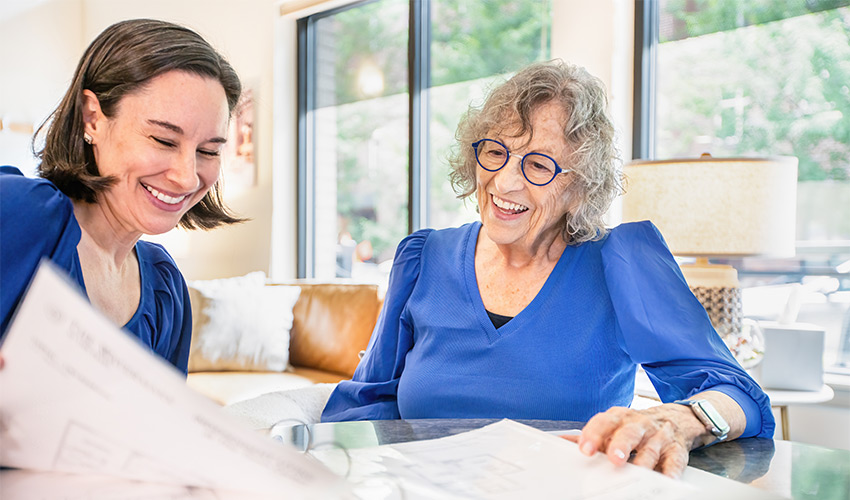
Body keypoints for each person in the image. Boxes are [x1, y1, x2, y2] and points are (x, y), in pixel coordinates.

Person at [321, 60, 774, 477]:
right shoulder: (423, 257)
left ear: (580, 188)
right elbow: (368, 403)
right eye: (495, 152)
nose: (504, 182)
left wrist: (678, 419)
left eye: (537, 165)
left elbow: (739, 396)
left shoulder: (620, 261)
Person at [0, 19, 243, 375]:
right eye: (163, 140)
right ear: (92, 119)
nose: (187, 175)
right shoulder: (23, 213)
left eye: (207, 150)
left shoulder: (165, 290)